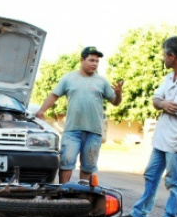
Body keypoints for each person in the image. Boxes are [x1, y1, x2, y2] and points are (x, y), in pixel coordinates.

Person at [121, 36, 177, 217]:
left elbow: (175, 107)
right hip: (162, 136)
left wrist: (164, 103)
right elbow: (156, 100)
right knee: (151, 175)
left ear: (173, 56)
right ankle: (140, 213)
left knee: (174, 181)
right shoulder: (168, 77)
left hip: (176, 137)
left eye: (165, 54)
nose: (163, 58)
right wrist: (163, 103)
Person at [35, 46, 123, 183]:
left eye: (97, 61)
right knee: (66, 163)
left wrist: (118, 94)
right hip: (72, 131)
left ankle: (83, 195)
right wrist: (41, 111)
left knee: (88, 167)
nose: (94, 64)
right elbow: (54, 95)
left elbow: (115, 102)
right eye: (91, 60)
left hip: (94, 131)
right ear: (82, 60)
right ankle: (63, 195)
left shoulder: (102, 81)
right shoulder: (69, 78)